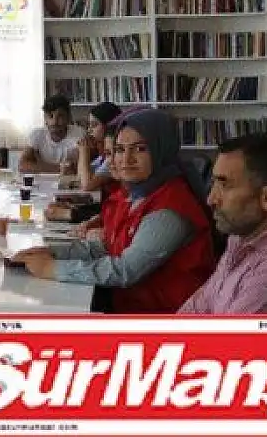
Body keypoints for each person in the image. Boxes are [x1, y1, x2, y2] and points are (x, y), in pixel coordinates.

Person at [12, 109, 216, 313]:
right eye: (119, 149)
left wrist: (52, 268)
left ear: (161, 149)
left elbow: (125, 270)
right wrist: (51, 252)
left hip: (159, 318)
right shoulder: (136, 193)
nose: (126, 159)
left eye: (140, 149)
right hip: (127, 301)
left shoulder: (170, 209)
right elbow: (108, 246)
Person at [179, 133, 267, 314]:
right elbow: (199, 306)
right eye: (214, 183)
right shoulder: (240, 236)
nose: (211, 199)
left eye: (224, 185)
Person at [20, 94, 85, 174]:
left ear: (68, 117)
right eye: (50, 116)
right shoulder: (37, 134)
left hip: (70, 180)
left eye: (60, 116)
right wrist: (59, 168)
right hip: (43, 180)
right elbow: (22, 165)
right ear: (45, 118)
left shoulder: (79, 134)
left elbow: (78, 167)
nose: (55, 122)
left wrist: (40, 165)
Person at [74, 101, 122, 192]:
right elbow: (80, 177)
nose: (89, 130)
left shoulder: (113, 155)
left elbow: (87, 185)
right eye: (89, 125)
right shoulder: (102, 155)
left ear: (109, 125)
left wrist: (84, 152)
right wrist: (83, 150)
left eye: (94, 125)